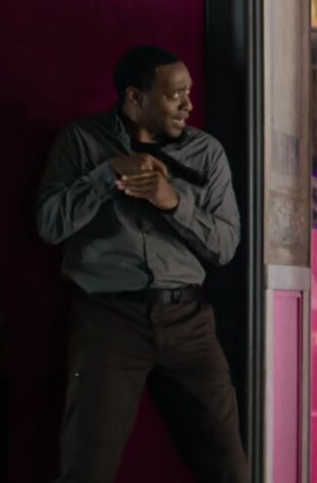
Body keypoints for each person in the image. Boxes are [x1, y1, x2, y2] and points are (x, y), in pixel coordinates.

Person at [37, 45, 248, 482]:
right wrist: (107, 174)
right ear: (135, 98)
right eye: (175, 95)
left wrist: (171, 202)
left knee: (230, 469)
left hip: (189, 324)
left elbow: (226, 245)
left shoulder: (206, 153)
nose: (189, 105)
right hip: (107, 322)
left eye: (189, 93)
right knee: (86, 470)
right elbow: (50, 225)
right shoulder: (81, 142)